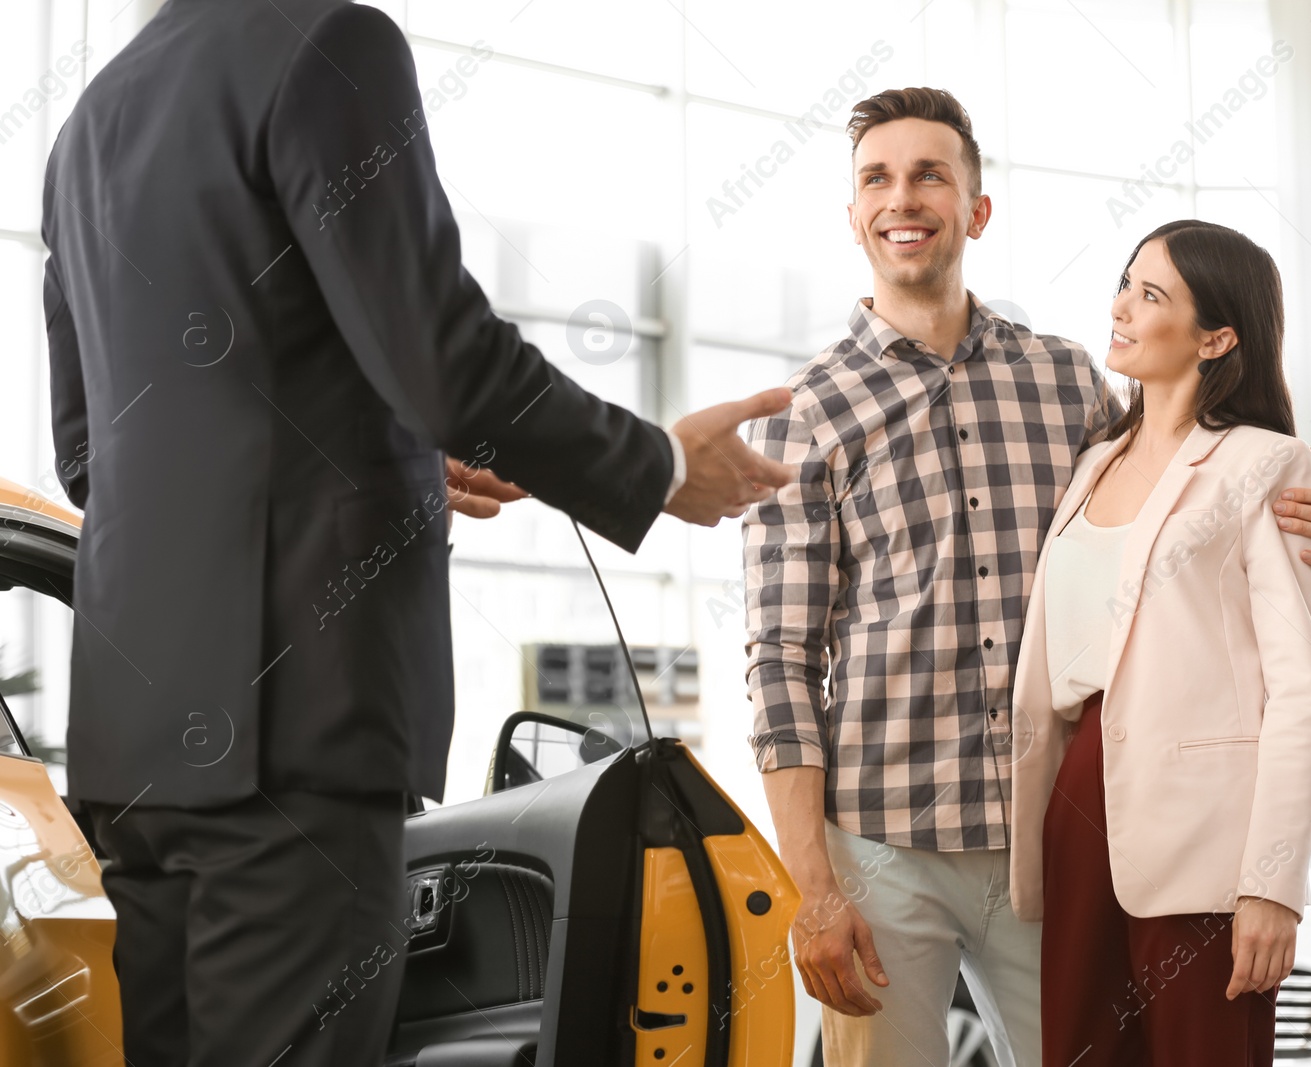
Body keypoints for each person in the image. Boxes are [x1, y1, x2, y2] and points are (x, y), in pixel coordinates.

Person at [42, 1, 793, 1063]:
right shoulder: (328, 42)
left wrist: (374, 455)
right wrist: (658, 468)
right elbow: (446, 358)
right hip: (295, 724)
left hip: (136, 748)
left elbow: (93, 456)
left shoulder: (90, 119)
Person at [741, 87, 1311, 1067]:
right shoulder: (801, 413)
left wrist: (1299, 512)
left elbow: (1172, 510)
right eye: (877, 179)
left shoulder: (1068, 381)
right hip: (881, 850)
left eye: (931, 173)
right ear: (853, 215)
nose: (904, 196)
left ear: (976, 210)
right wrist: (813, 885)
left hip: (1054, 845)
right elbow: (778, 661)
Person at [1008, 220, 1311, 1066]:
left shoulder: (1266, 464)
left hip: (1205, 836)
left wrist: (1271, 882)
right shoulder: (1091, 467)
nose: (1121, 307)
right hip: (1079, 808)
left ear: (1218, 337)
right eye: (1125, 282)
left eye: (1152, 295)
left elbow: (1299, 690)